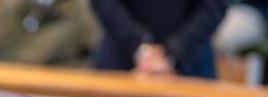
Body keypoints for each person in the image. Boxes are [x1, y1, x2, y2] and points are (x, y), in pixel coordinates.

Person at [90, 0, 231, 78]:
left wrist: (173, 52)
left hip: (191, 65)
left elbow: (215, 5)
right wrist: (140, 47)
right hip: (119, 63)